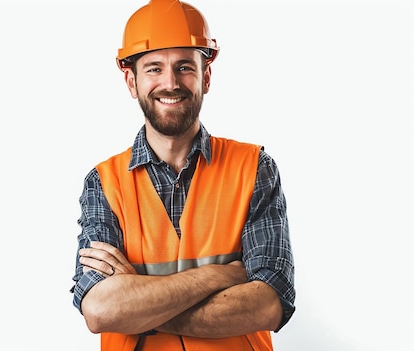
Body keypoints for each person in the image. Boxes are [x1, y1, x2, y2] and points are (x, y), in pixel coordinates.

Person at [69, 0, 296, 350]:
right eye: (154, 69)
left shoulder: (254, 168)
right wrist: (221, 275)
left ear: (206, 76)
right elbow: (101, 309)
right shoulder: (103, 183)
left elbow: (269, 303)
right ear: (132, 81)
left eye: (184, 67)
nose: (170, 83)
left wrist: (137, 303)